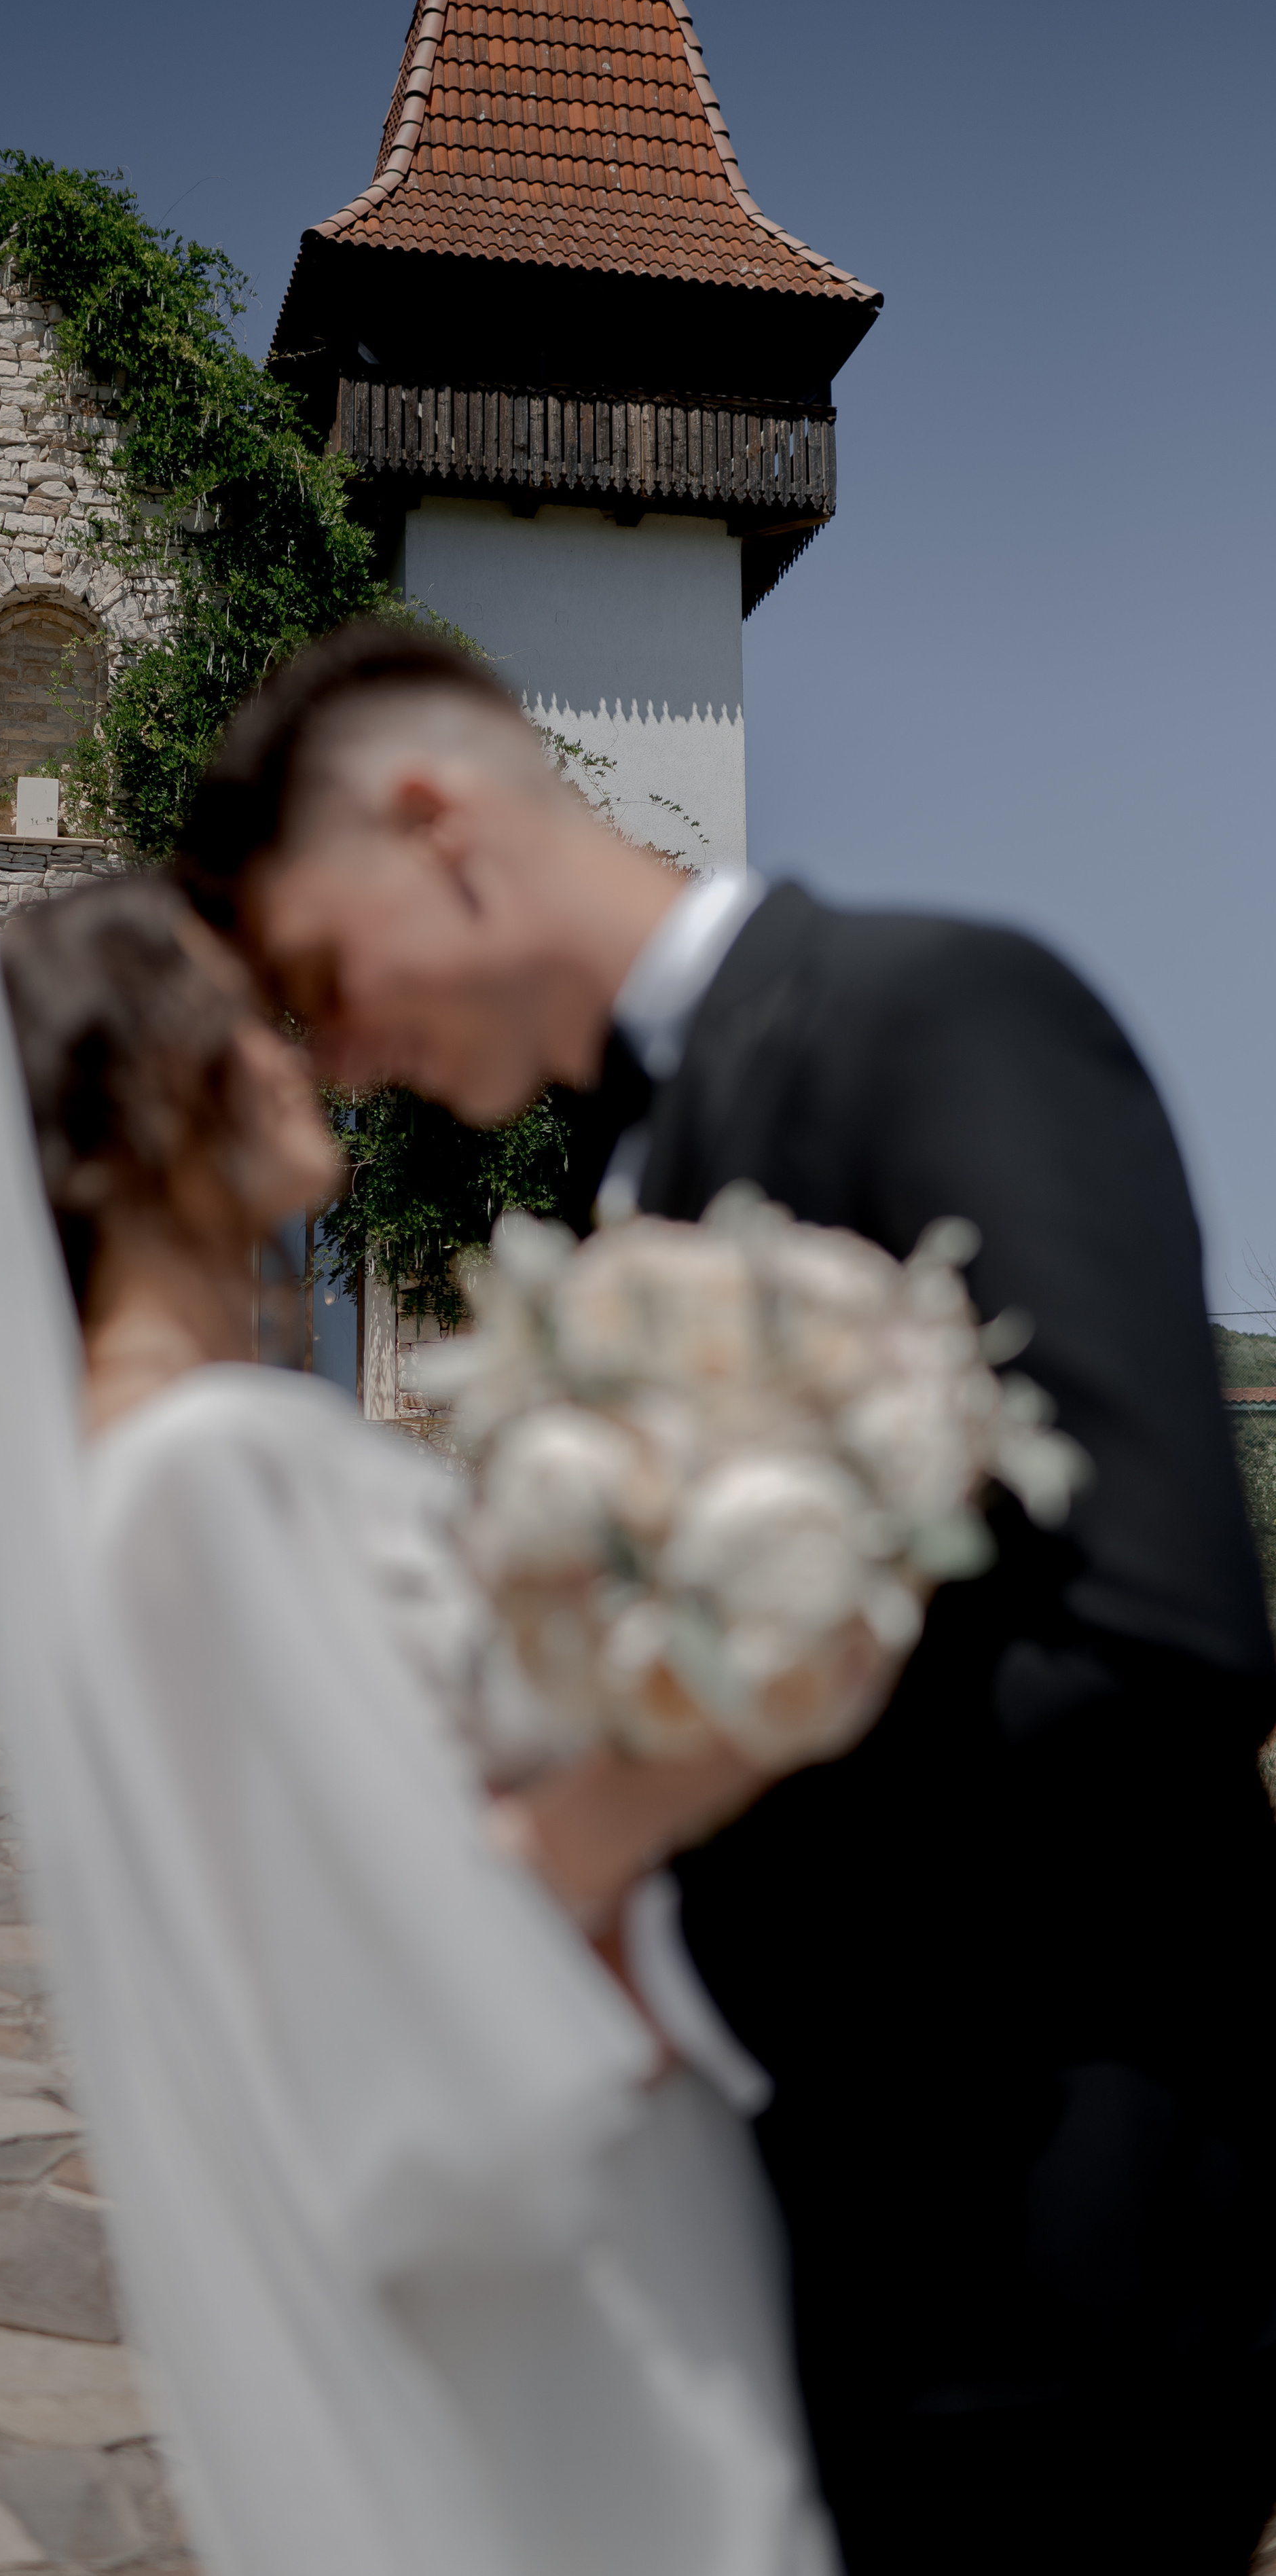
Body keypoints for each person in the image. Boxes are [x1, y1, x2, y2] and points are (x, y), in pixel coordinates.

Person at [174, 622, 1276, 2576]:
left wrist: (646, 1892)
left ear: (436, 823)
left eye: (325, 981)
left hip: (1046, 2250)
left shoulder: (933, 1012)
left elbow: (1165, 1636)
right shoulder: (618, 1169)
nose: (338, 1063)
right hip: (810, 2229)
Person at [0, 876, 860, 2576]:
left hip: (579, 2211)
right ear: (116, 1129)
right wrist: (766, 1698)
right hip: (581, 2266)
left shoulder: (181, 1468)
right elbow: (418, 1969)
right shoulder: (212, 1476)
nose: (287, 1059)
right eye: (228, 1024)